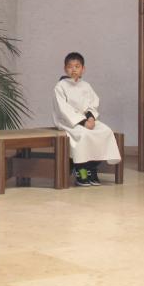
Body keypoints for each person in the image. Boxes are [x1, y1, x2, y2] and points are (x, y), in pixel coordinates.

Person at [52, 52, 121, 186]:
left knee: (106, 131)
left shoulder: (86, 86)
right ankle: (81, 170)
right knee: (83, 135)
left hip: (87, 121)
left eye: (77, 66)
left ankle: (92, 167)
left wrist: (91, 119)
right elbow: (63, 109)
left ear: (83, 69)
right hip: (69, 123)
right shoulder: (60, 87)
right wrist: (83, 122)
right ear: (65, 69)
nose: (74, 69)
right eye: (70, 66)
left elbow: (92, 103)